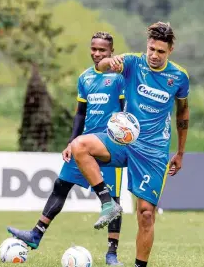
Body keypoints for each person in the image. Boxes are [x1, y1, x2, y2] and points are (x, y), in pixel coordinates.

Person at [70, 21, 190, 267]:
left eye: (160, 51)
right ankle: (108, 204)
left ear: (170, 51)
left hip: (154, 151)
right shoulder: (133, 62)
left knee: (146, 214)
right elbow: (100, 67)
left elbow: (183, 114)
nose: (154, 56)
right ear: (146, 46)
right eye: (151, 49)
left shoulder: (179, 77)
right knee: (79, 146)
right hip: (125, 141)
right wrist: (108, 62)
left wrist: (180, 152)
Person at [7, 32, 127, 266]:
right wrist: (72, 142)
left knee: (113, 200)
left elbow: (126, 112)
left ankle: (112, 254)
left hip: (108, 146)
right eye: (94, 48)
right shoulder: (85, 78)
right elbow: (80, 114)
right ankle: (35, 235)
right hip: (83, 145)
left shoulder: (120, 78)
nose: (97, 53)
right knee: (60, 186)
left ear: (111, 52)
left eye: (102, 50)